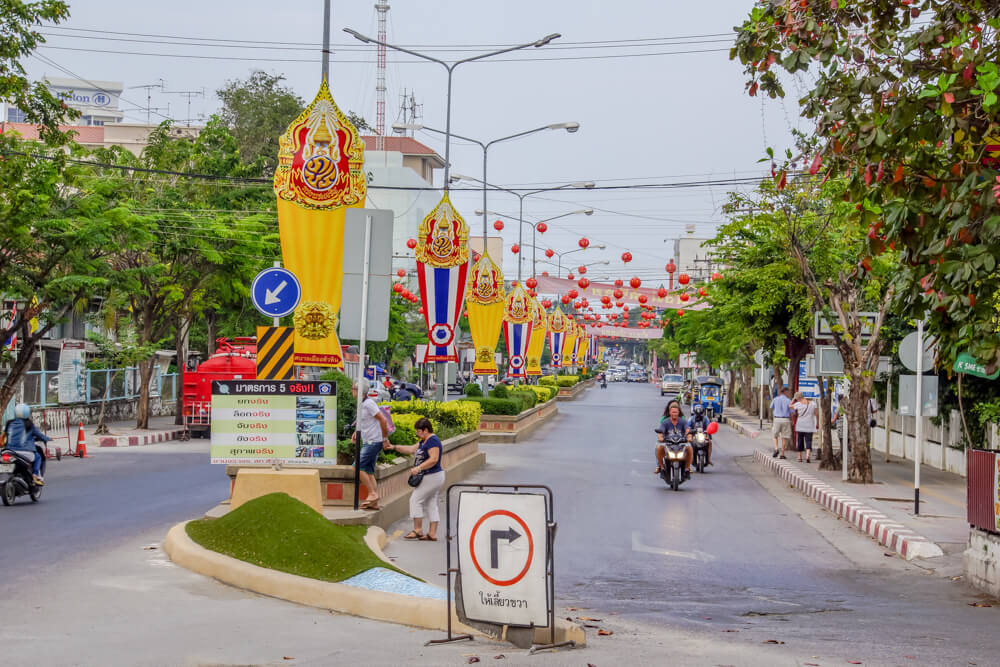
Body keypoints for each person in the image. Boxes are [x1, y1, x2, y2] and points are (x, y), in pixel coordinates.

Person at [387, 417, 445, 541]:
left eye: (418, 431)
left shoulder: (432, 440)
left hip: (431, 475)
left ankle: (418, 530)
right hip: (432, 476)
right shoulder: (423, 441)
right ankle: (432, 533)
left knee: (415, 500)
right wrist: (393, 447)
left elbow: (434, 459)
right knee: (431, 503)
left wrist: (418, 468)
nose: (417, 434)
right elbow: (410, 449)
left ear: (425, 430)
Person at [352, 378, 390, 510]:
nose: (352, 391)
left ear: (360, 391)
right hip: (369, 440)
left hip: (373, 442)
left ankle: (372, 494)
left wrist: (385, 439)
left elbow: (383, 420)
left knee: (356, 467)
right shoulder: (362, 404)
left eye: (354, 389)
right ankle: (374, 503)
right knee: (368, 471)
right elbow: (365, 421)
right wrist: (357, 432)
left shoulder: (369, 403)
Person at [3, 403, 50, 486]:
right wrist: (48, 439)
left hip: (8, 451)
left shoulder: (9, 423)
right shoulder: (29, 424)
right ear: (27, 413)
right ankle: (35, 475)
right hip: (25, 452)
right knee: (38, 456)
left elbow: (5, 435)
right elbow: (40, 436)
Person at [655, 399, 691, 478]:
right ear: (670, 412)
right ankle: (662, 468)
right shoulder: (665, 421)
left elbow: (687, 430)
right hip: (668, 444)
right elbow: (661, 431)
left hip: (681, 444)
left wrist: (689, 436)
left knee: (689, 448)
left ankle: (687, 469)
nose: (674, 414)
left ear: (679, 413)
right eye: (673, 412)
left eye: (676, 412)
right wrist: (661, 437)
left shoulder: (683, 421)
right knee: (659, 448)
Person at [790, 392, 818, 463]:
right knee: (808, 440)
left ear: (797, 398)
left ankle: (799, 456)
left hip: (800, 425)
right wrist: (817, 423)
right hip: (810, 425)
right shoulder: (813, 404)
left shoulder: (798, 404)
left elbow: (790, 405)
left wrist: (793, 399)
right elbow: (816, 414)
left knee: (800, 440)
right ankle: (807, 456)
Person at [770, 386, 792, 459]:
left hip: (777, 419)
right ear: (785, 392)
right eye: (788, 392)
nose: (789, 393)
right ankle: (782, 454)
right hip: (786, 420)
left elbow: (771, 407)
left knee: (775, 435)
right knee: (784, 437)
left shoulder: (775, 399)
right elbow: (792, 412)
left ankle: (776, 449)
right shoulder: (789, 401)